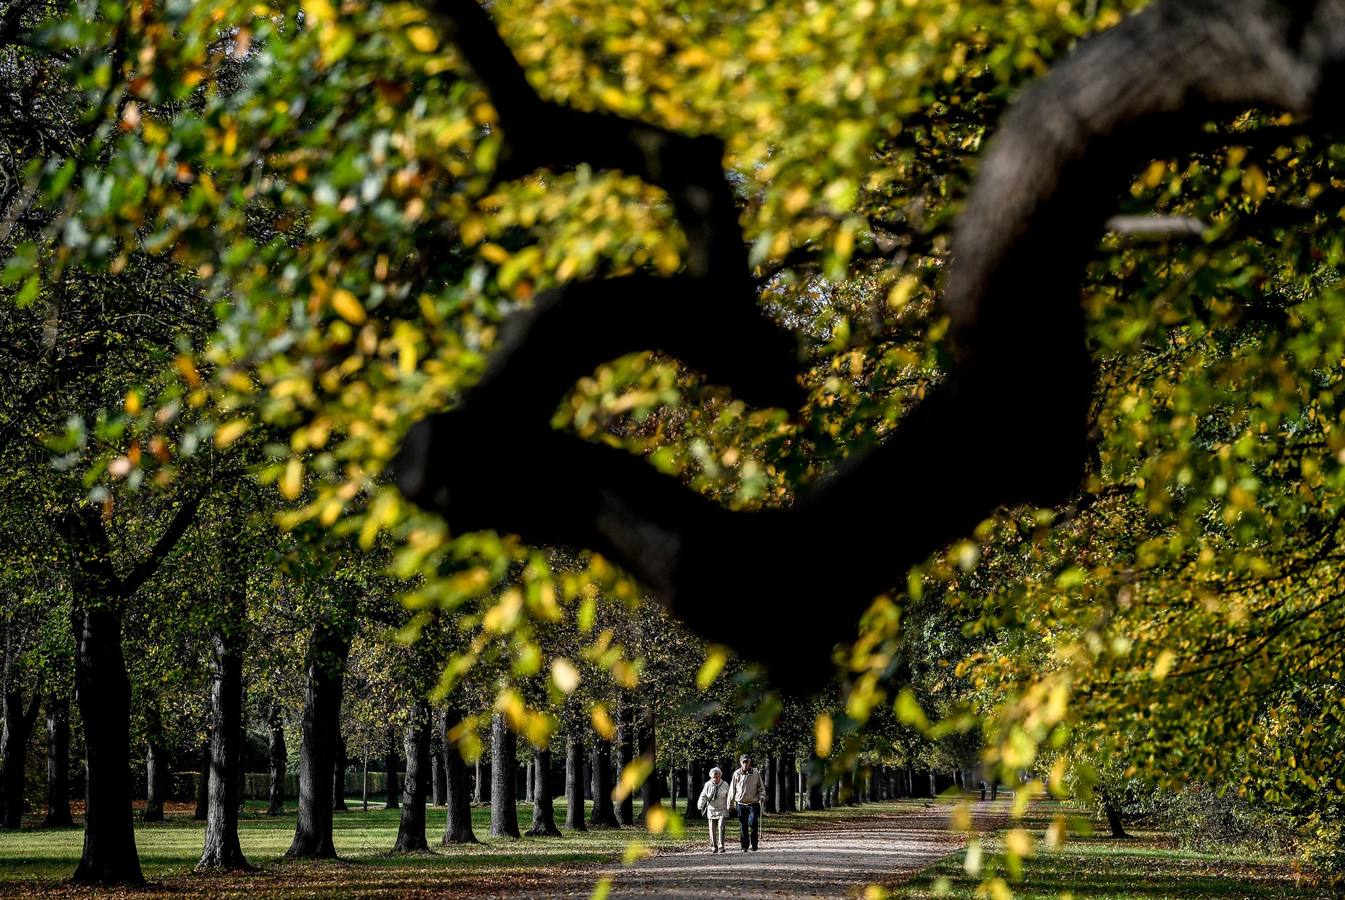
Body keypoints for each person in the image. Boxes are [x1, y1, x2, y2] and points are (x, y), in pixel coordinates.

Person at [728, 753, 766, 851]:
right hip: (741, 803)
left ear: (749, 762)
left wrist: (762, 796)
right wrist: (730, 804)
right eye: (743, 762)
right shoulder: (737, 774)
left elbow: (761, 788)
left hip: (753, 803)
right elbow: (732, 790)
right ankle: (744, 846)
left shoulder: (755, 773)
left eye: (747, 762)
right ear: (741, 763)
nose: (745, 764)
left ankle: (754, 845)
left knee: (753, 823)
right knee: (743, 825)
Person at [697, 766, 730, 852]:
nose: (715, 779)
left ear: (720, 776)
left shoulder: (725, 784)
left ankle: (721, 846)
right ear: (711, 777)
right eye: (713, 777)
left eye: (717, 777)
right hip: (712, 809)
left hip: (722, 809)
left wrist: (730, 805)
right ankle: (713, 846)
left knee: (721, 826)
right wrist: (700, 804)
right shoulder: (707, 784)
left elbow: (729, 796)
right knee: (712, 829)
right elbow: (703, 795)